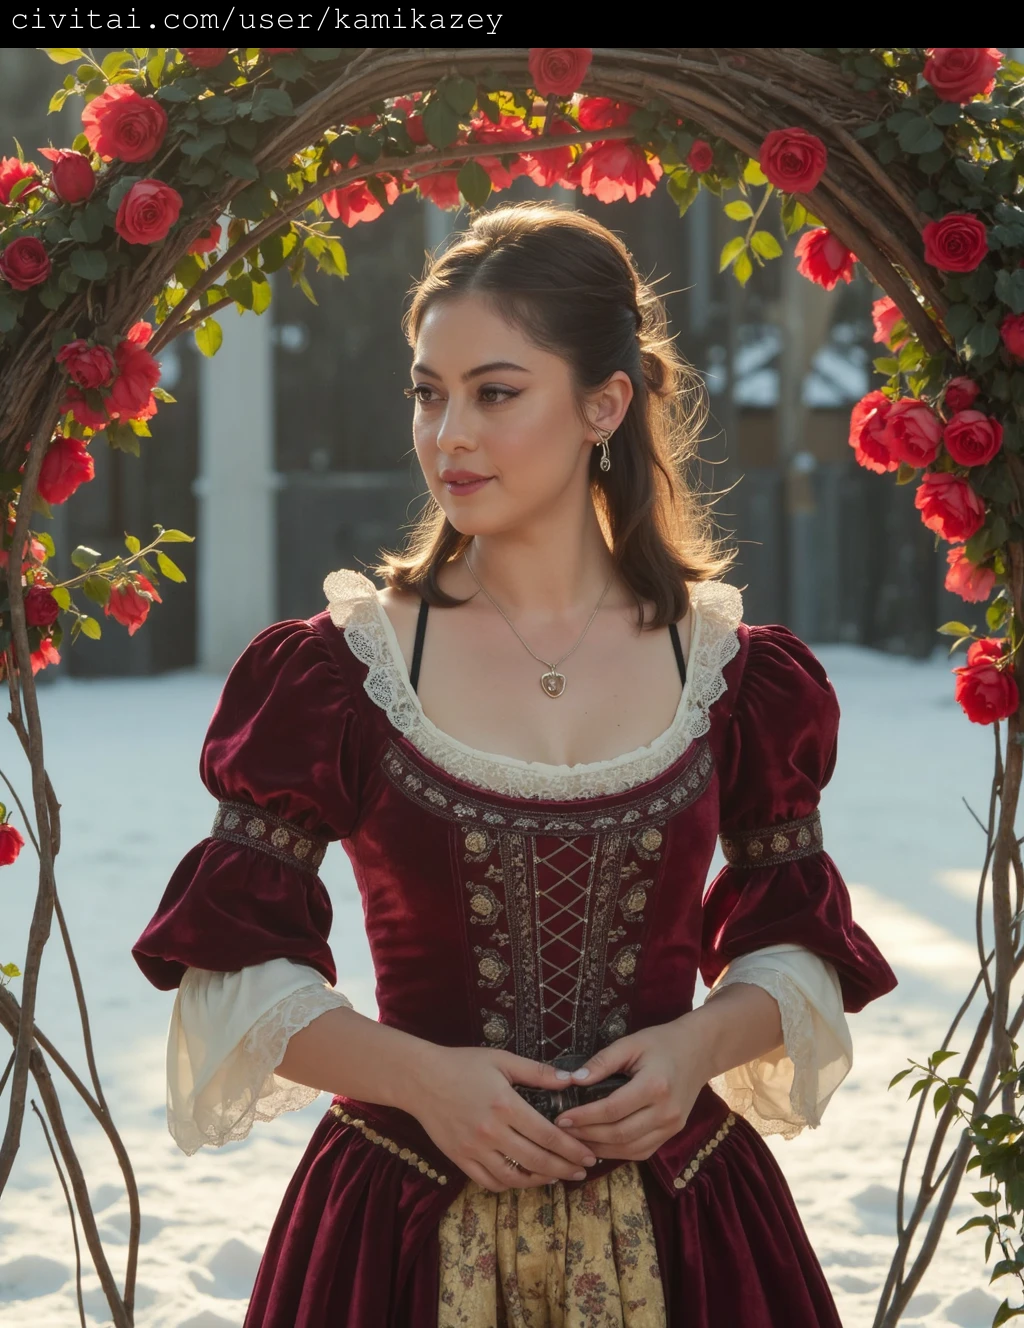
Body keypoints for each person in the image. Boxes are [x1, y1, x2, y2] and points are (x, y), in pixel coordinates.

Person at [132, 201, 898, 1327]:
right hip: (398, 1229)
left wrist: (694, 1048)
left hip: (687, 1222)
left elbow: (795, 936)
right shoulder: (344, 669)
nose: (449, 433)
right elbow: (235, 965)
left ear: (605, 403)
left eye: (494, 392)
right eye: (426, 391)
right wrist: (421, 1077)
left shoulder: (732, 672)